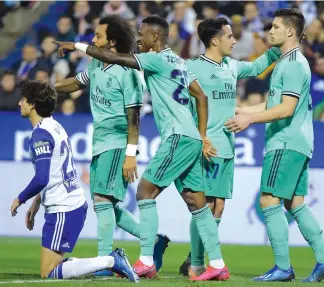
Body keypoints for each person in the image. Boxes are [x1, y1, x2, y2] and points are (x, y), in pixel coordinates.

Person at [54, 15, 229, 281]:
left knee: (145, 191)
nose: (138, 38)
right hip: (191, 136)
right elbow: (201, 96)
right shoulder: (179, 62)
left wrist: (75, 45)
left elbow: (114, 58)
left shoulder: (155, 58)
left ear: (155, 38)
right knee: (197, 202)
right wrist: (202, 135)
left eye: (142, 34)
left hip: (176, 136)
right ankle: (217, 264)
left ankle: (146, 260)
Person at [225, 8, 324, 282]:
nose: (270, 31)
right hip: (299, 141)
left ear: (290, 31)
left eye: (275, 26)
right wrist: (245, 110)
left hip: (285, 140)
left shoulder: (292, 64)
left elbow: (286, 109)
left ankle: (283, 268)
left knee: (268, 199)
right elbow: (277, 103)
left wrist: (250, 120)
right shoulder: (291, 63)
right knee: (295, 203)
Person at [54, 15, 169, 277]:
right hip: (100, 142)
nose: (93, 40)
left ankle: (105, 262)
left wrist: (131, 155)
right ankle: (152, 239)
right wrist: (48, 89)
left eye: (98, 36)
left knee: (102, 199)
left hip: (118, 143)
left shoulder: (127, 72)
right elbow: (76, 82)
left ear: (112, 41)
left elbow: (134, 116)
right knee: (106, 204)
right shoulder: (97, 65)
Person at [179, 18, 280, 278]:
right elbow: (181, 107)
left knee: (218, 208)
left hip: (228, 146)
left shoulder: (231, 66)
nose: (234, 41)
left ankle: (198, 257)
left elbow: (258, 66)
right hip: (207, 147)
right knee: (204, 206)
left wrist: (279, 46)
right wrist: (199, 138)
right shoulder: (191, 67)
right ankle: (197, 262)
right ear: (215, 40)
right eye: (229, 36)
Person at [10, 80, 138, 282]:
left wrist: (20, 198)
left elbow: (42, 177)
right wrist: (36, 203)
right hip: (69, 204)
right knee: (52, 268)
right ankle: (108, 260)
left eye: (23, 99)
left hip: (63, 208)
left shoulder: (40, 135)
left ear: (33, 104)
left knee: (49, 273)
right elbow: (53, 172)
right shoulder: (54, 126)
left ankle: (110, 261)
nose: (19, 103)